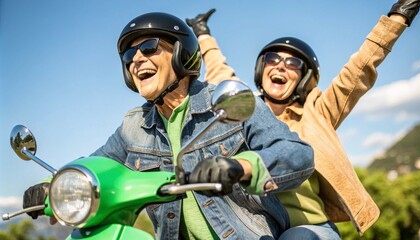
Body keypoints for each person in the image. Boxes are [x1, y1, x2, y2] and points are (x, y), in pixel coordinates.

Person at [22, 12, 315, 239]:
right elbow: (95, 166)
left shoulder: (228, 101)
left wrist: (241, 167)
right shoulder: (133, 126)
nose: (136, 59)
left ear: (181, 54)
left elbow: (297, 153)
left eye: (148, 48)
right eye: (128, 55)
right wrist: (54, 186)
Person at [186, 0, 420, 239]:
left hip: (311, 229)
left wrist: (399, 16)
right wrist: (203, 34)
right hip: (259, 227)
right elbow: (220, 73)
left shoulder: (318, 112)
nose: (280, 66)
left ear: (304, 78)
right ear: (261, 69)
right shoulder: (244, 110)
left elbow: (358, 70)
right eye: (272, 59)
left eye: (293, 63)